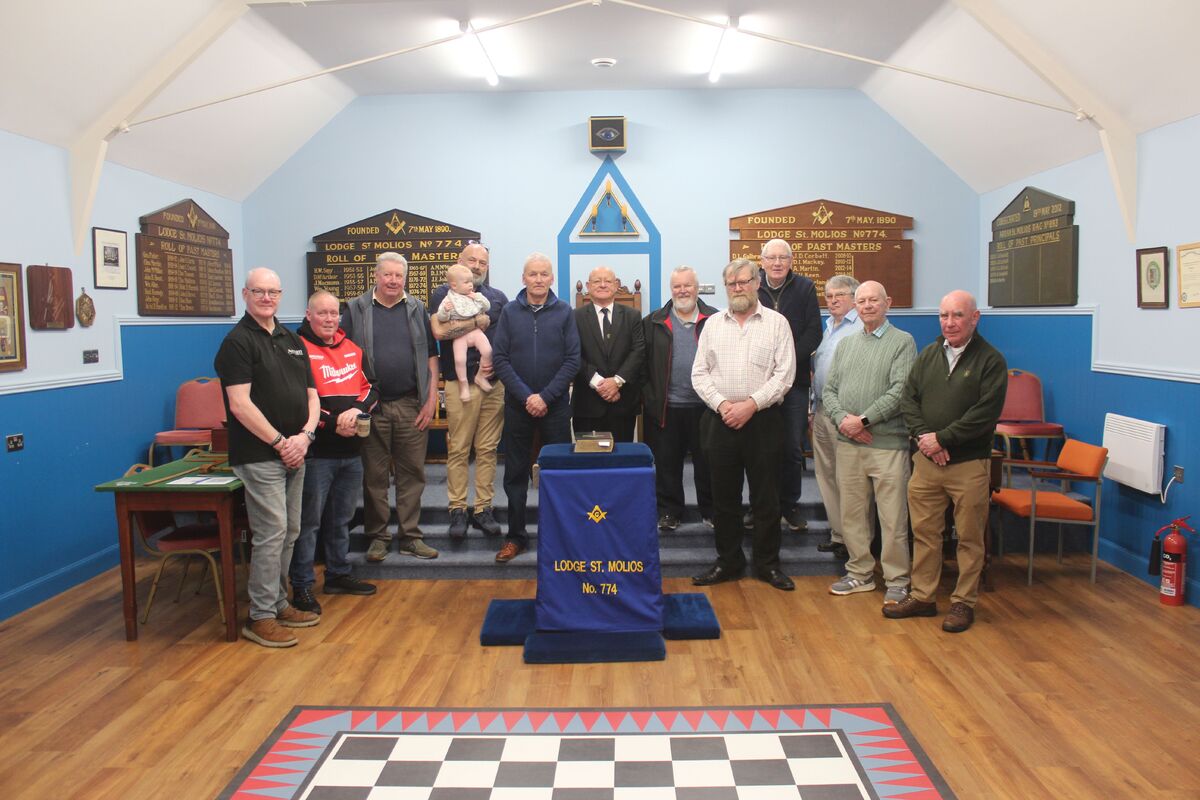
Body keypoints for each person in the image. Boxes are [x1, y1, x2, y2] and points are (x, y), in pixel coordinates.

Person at [887, 290, 1008, 633]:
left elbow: (985, 414)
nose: (949, 323)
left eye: (957, 315)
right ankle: (923, 597)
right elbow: (908, 399)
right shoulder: (929, 354)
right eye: (944, 315)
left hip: (968, 463)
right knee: (924, 533)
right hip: (927, 462)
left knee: (969, 537)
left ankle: (963, 602)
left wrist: (943, 439)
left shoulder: (991, 361)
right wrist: (926, 438)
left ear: (975, 318)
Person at [214, 268, 320, 647]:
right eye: (258, 291)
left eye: (273, 292)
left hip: (296, 450)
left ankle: (278, 602)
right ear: (245, 294)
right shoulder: (237, 343)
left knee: (290, 530)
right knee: (271, 531)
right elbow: (240, 405)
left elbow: (312, 395)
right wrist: (280, 442)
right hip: (260, 454)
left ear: (280, 295)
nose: (266, 298)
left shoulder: (292, 339)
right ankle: (259, 616)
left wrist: (305, 437)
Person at [691, 258, 796, 591]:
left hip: (763, 421)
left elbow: (785, 375)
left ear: (757, 283)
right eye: (732, 283)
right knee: (724, 499)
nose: (738, 288)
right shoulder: (712, 325)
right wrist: (724, 406)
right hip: (720, 421)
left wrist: (750, 405)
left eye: (744, 281)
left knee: (766, 498)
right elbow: (699, 374)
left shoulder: (777, 323)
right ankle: (729, 562)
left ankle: (768, 565)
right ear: (726, 287)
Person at [821, 280, 916, 606]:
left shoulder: (902, 342)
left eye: (874, 300)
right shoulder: (846, 344)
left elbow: (900, 391)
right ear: (855, 306)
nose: (867, 306)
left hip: (887, 445)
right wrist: (844, 422)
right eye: (861, 301)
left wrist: (863, 421)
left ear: (887, 302)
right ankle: (859, 573)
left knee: (893, 518)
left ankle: (897, 580)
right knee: (853, 515)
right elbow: (829, 390)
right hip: (849, 443)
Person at [342, 252, 440, 563]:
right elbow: (342, 356)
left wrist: (431, 399)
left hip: (412, 404)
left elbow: (431, 357)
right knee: (375, 475)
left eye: (399, 276)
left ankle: (410, 536)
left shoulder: (417, 309)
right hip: (371, 408)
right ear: (376, 276)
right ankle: (378, 537)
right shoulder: (356, 309)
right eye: (388, 275)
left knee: (413, 474)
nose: (393, 281)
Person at [290, 290, 379, 614]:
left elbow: (371, 388)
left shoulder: (352, 349)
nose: (329, 319)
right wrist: (331, 423)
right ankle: (302, 585)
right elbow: (296, 399)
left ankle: (338, 574)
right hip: (317, 453)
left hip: (351, 451)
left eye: (333, 313)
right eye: (322, 313)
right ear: (309, 315)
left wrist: (357, 411)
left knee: (341, 518)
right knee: (308, 523)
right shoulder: (297, 349)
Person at [491, 252, 580, 562]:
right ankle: (516, 536)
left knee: (559, 474)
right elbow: (500, 358)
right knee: (515, 475)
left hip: (556, 407)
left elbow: (573, 360)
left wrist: (546, 397)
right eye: (533, 274)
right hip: (518, 407)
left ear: (552, 278)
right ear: (523, 278)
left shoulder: (565, 312)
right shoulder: (509, 312)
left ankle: (559, 536)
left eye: (544, 274)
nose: (539, 279)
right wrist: (527, 396)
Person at [430, 243, 508, 540]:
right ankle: (457, 509)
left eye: (482, 262)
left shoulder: (497, 298)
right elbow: (439, 331)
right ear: (459, 261)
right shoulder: (443, 293)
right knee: (459, 449)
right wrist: (476, 322)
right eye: (471, 260)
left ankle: (483, 508)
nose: (476, 266)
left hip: (493, 384)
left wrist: (497, 364)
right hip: (459, 384)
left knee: (488, 449)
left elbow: (505, 337)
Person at [642, 265, 718, 531]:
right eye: (677, 286)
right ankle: (669, 511)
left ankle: (710, 510)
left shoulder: (716, 319)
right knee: (667, 464)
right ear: (671, 289)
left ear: (697, 288)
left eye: (687, 285)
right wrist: (649, 397)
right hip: (667, 406)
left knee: (707, 463)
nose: (682, 290)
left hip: (707, 406)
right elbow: (642, 364)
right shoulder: (653, 322)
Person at [756, 238, 821, 532]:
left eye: (783, 257)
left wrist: (786, 363)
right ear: (762, 262)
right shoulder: (753, 286)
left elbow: (813, 333)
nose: (777, 263)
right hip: (760, 383)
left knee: (793, 448)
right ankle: (761, 505)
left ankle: (789, 506)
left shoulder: (805, 288)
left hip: (795, 383)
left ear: (791, 261)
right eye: (772, 258)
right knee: (760, 448)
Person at [810, 275, 862, 560]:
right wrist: (812, 407)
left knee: (848, 478)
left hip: (845, 414)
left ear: (854, 298)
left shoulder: (860, 327)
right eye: (829, 296)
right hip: (821, 410)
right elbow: (818, 369)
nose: (832, 301)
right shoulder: (829, 326)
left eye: (839, 295)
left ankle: (856, 541)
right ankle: (838, 534)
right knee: (826, 474)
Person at [572, 266, 645, 442]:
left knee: (621, 456)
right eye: (597, 281)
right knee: (588, 456)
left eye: (608, 281)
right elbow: (572, 353)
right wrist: (599, 383)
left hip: (622, 403)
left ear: (616, 285)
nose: (603, 285)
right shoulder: (574, 317)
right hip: (587, 405)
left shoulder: (633, 316)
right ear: (588, 286)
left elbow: (638, 351)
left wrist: (617, 381)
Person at [436, 264, 494, 402]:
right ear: (454, 285)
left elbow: (487, 306)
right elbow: (441, 318)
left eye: (471, 282)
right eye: (466, 282)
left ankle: (481, 375)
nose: (470, 285)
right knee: (459, 360)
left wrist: (478, 298)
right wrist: (445, 311)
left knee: (488, 351)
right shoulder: (448, 299)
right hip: (459, 336)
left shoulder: (475, 295)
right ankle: (464, 384)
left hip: (476, 332)